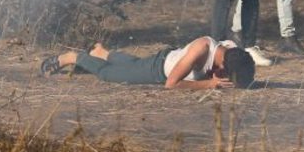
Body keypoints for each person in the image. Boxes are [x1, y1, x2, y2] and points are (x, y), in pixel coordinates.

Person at [39, 36, 256, 90]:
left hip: (162, 59)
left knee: (132, 63)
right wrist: (209, 85)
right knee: (109, 74)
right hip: (157, 71)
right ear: (223, 67)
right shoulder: (202, 49)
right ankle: (72, 57)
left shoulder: (231, 49)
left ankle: (101, 52)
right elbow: (171, 84)